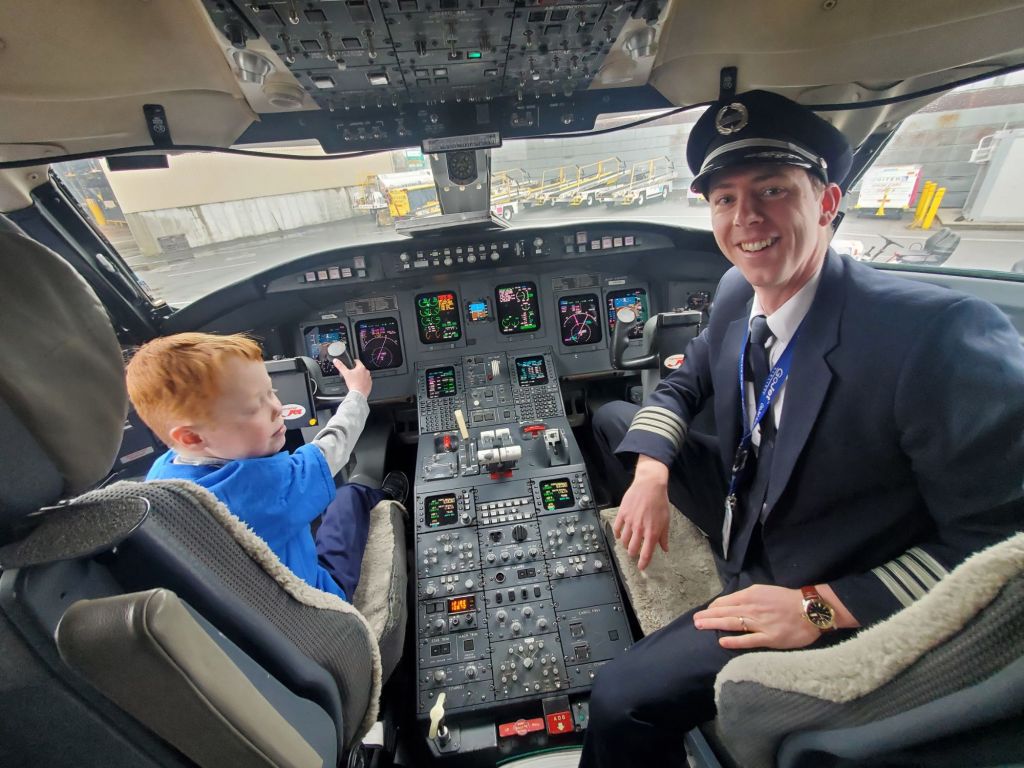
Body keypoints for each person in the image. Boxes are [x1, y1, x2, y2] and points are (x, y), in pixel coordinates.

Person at [581, 90, 1024, 766]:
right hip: (750, 498)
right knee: (617, 421)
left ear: (826, 202)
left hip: (821, 570)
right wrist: (651, 473)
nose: (746, 218)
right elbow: (684, 381)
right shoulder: (736, 291)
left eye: (772, 190)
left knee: (621, 697)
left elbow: (999, 548)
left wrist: (819, 608)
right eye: (725, 198)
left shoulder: (933, 337)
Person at [126, 332, 408, 602]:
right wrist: (357, 393)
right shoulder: (270, 486)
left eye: (271, 392)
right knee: (349, 496)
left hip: (257, 605)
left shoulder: (163, 476)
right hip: (318, 600)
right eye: (253, 407)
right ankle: (387, 496)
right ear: (191, 437)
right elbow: (335, 446)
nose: (277, 408)